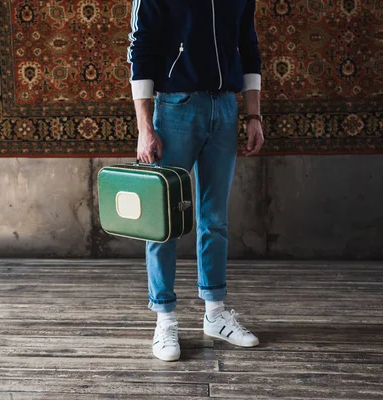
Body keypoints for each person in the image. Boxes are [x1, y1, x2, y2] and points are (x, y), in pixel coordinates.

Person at [127, 0, 265, 361]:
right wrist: (144, 127)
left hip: (226, 107)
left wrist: (254, 114)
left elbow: (248, 46)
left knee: (214, 219)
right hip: (176, 108)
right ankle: (165, 319)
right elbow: (140, 46)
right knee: (164, 222)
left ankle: (215, 314)